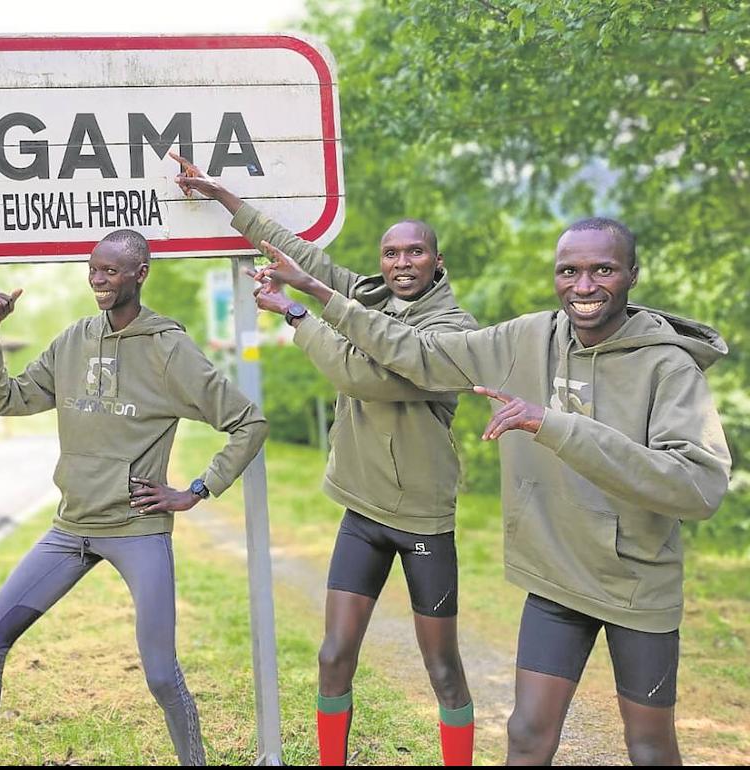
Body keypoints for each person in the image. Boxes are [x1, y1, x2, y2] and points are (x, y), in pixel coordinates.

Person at [256, 217, 731, 765]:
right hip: (554, 578)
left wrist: (552, 425)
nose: (583, 286)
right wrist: (315, 295)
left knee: (648, 748)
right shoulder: (527, 339)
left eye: (603, 270)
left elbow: (698, 486)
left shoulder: (669, 366)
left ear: (632, 274)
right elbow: (419, 353)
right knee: (526, 736)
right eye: (569, 271)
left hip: (637, 588)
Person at [173, 153, 480, 765]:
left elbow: (362, 374)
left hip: (422, 519)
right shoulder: (367, 297)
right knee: (334, 655)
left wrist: (297, 309)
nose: (401, 263)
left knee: (442, 668)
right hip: (361, 511)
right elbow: (300, 256)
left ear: (437, 261)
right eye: (391, 253)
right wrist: (224, 197)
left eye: (415, 252)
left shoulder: (454, 331)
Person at [0, 228, 268, 766]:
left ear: (140, 274)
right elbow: (6, 400)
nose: (98, 280)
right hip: (70, 530)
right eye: (93, 269)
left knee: (161, 673)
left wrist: (197, 490)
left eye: (110, 271)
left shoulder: (168, 348)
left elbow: (248, 422)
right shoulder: (73, 340)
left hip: (136, 530)